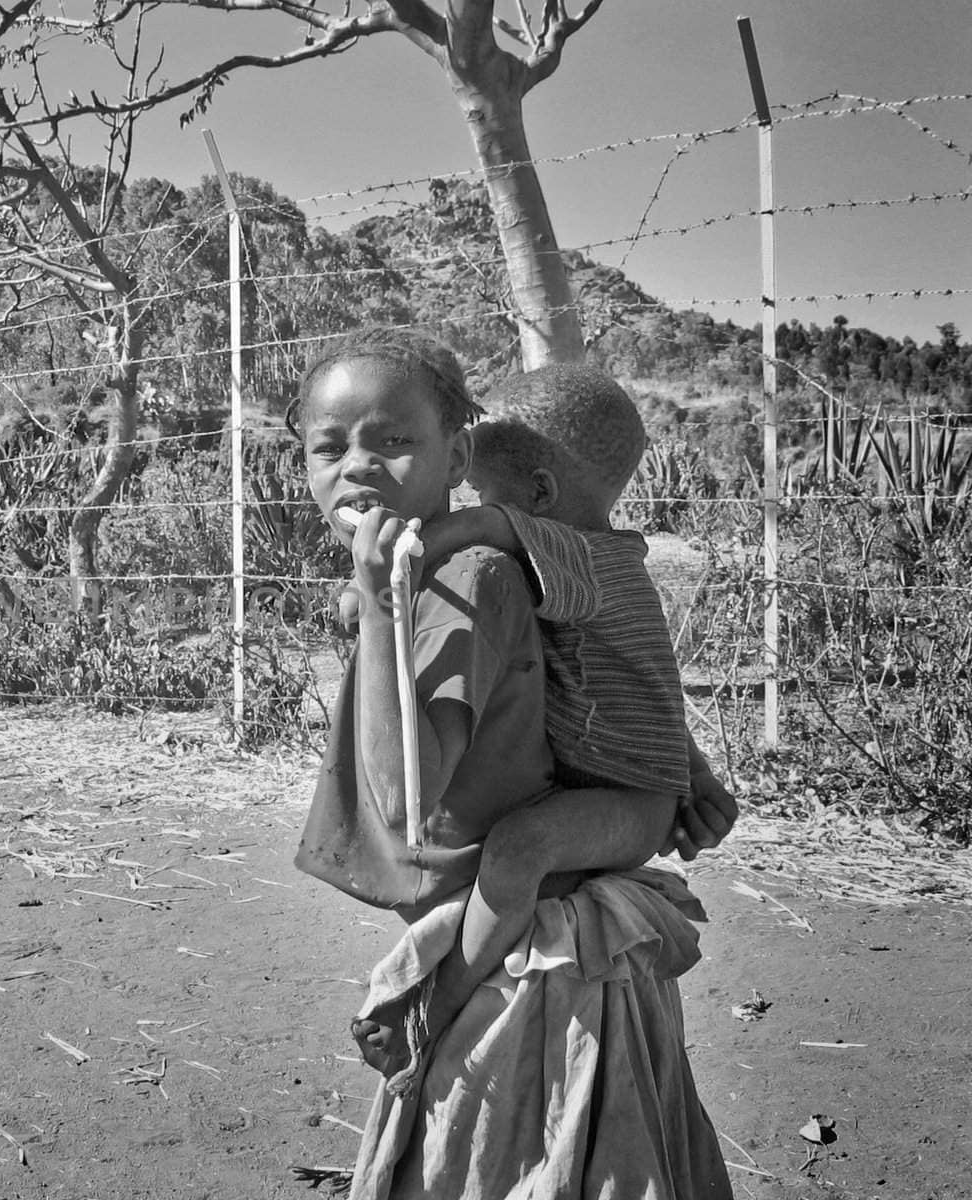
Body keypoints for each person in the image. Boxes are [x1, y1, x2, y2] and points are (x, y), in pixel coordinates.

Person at [290, 329, 732, 1199]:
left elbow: (399, 800)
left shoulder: (515, 565)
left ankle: (438, 1001)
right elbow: (618, 687)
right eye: (328, 446)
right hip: (618, 806)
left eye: (396, 443)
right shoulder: (523, 571)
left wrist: (382, 604)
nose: (358, 467)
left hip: (579, 882)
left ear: (512, 485)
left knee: (523, 847)